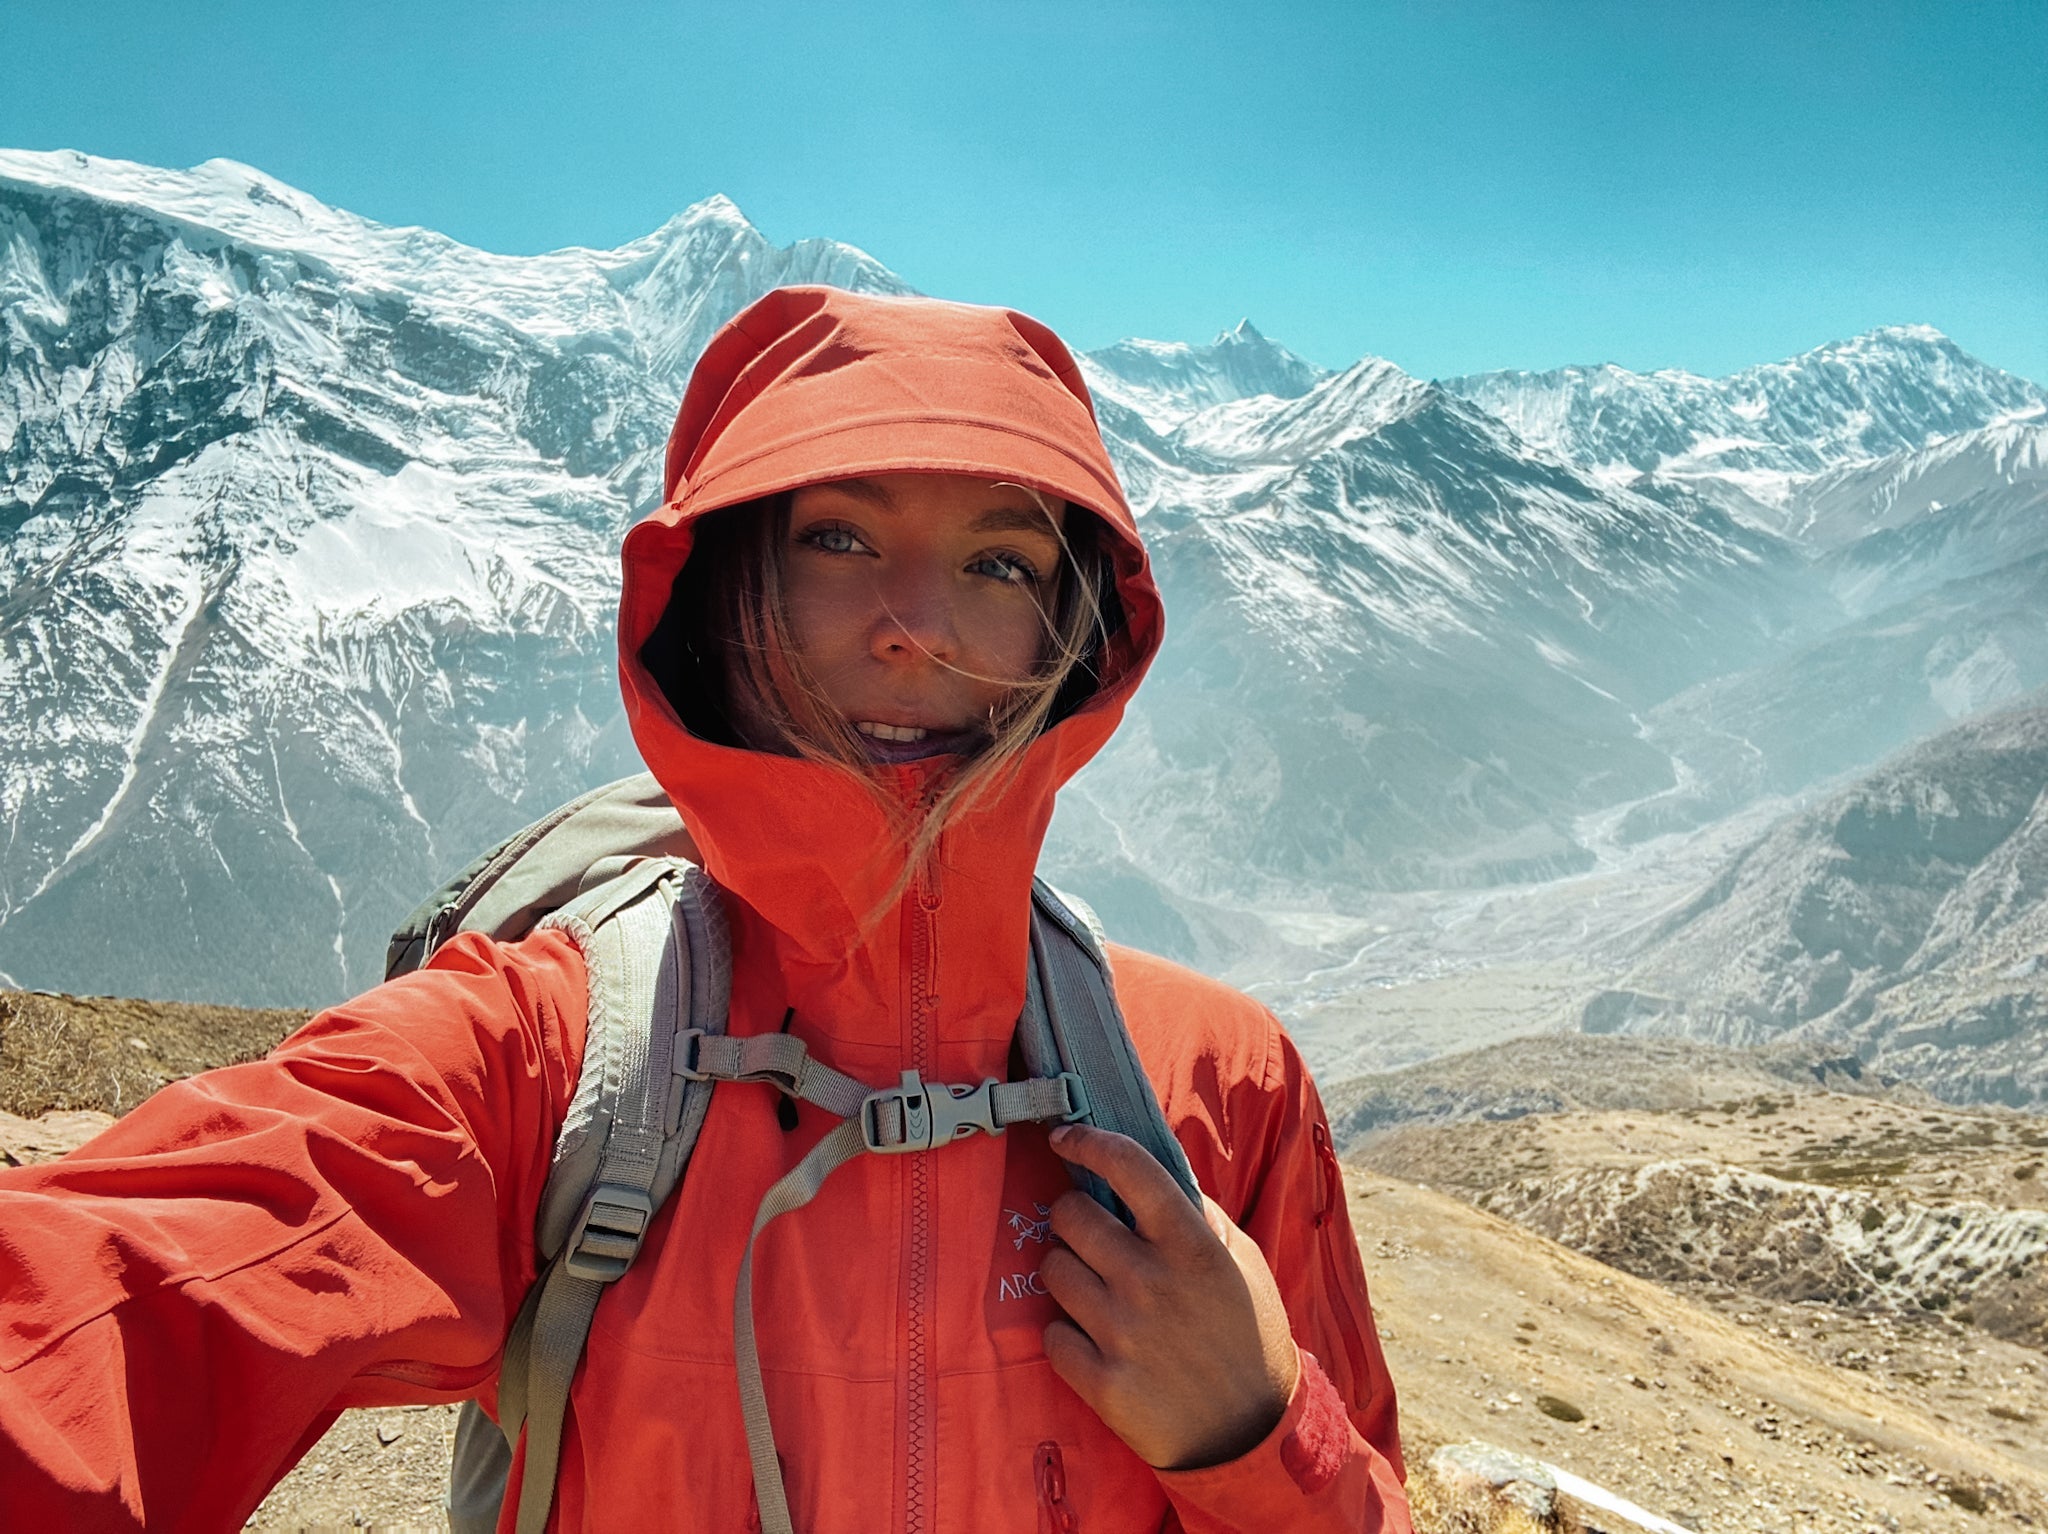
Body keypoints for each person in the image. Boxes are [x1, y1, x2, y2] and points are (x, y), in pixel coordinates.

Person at [0, 286, 1411, 1532]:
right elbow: (128, 1296)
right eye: (839, 538)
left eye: (1000, 561)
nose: (914, 618)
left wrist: (1261, 1433)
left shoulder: (1219, 1092)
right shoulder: (550, 1059)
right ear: (731, 588)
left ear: (1073, 626)